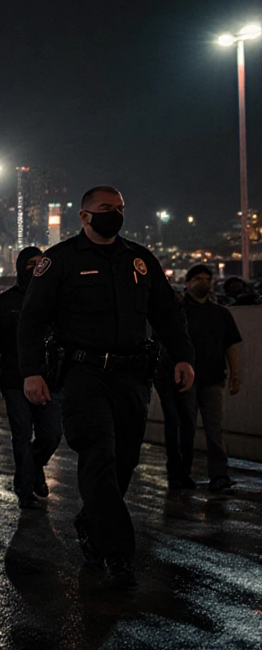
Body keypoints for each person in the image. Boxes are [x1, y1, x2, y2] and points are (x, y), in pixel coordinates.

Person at [18, 186, 194, 590]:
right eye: (104, 209)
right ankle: (118, 555)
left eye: (119, 209)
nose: (113, 214)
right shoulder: (59, 260)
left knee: (124, 462)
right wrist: (32, 372)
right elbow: (31, 320)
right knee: (98, 455)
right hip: (83, 376)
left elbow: (168, 314)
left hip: (132, 377)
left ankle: (90, 521)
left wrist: (184, 357)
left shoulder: (139, 260)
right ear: (83, 216)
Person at [0, 247, 63, 509]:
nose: (36, 267)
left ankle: (33, 468)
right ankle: (25, 488)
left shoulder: (56, 301)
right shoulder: (5, 303)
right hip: (15, 381)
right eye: (31, 263)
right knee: (21, 435)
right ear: (20, 267)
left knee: (51, 435)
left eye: (41, 263)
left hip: (50, 381)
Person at [171, 264, 242, 492]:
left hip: (213, 379)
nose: (203, 282)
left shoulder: (221, 314)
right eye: (198, 278)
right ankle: (182, 475)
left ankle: (219, 475)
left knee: (214, 430)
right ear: (188, 282)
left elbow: (230, 346)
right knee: (187, 429)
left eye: (206, 279)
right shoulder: (179, 313)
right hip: (186, 382)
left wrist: (235, 375)